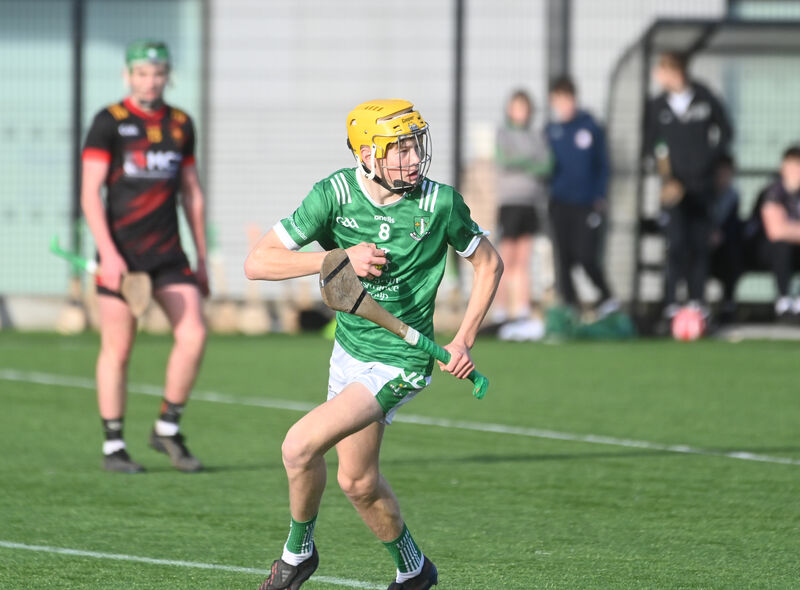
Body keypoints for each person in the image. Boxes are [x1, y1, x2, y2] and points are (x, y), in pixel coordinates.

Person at [244, 99, 502, 590]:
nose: (411, 158)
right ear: (365, 155)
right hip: (349, 349)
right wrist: (336, 259)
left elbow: (489, 264)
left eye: (413, 145)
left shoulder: (439, 203)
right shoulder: (335, 194)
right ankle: (415, 571)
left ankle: (297, 554)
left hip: (402, 359)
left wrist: (464, 339)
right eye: (397, 149)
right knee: (357, 482)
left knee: (298, 447)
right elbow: (259, 262)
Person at [81, 40, 209, 473]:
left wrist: (203, 256)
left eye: (157, 73)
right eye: (141, 73)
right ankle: (113, 444)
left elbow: (192, 193)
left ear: (166, 76)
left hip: (169, 253)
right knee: (118, 349)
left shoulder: (180, 123)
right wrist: (109, 255)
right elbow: (89, 194)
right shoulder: (109, 122)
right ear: (127, 76)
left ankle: (167, 429)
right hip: (123, 255)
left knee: (193, 333)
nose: (149, 81)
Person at [644, 51, 733, 318]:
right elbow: (653, 145)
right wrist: (667, 178)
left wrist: (710, 163)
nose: (658, 77)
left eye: (661, 71)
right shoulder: (658, 106)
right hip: (674, 190)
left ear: (675, 71)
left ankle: (697, 302)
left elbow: (726, 132)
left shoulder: (704, 98)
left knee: (699, 244)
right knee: (676, 244)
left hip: (702, 187)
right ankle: (672, 303)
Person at [545, 76, 618, 316]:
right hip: (559, 204)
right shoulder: (550, 132)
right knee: (563, 260)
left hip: (587, 204)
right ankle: (571, 307)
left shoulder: (591, 127)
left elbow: (603, 166)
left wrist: (600, 195)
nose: (564, 105)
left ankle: (607, 298)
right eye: (558, 101)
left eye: (567, 100)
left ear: (574, 99)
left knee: (586, 255)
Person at [493, 89, 552, 325]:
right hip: (509, 203)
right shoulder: (503, 134)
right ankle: (500, 308)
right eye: (517, 107)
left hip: (530, 203)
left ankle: (522, 309)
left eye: (525, 108)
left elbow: (546, 165)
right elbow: (505, 160)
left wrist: (525, 162)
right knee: (505, 259)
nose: (521, 112)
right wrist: (529, 161)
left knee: (524, 259)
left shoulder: (537, 136)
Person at [743, 146, 800, 320]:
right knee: (781, 246)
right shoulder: (773, 192)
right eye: (792, 165)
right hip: (762, 251)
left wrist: (789, 229)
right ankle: (783, 302)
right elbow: (776, 231)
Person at [708, 154, 742, 321]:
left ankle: (728, 304)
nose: (724, 177)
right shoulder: (704, 193)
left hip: (722, 250)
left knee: (733, 255)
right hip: (700, 246)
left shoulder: (733, 196)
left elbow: (732, 225)